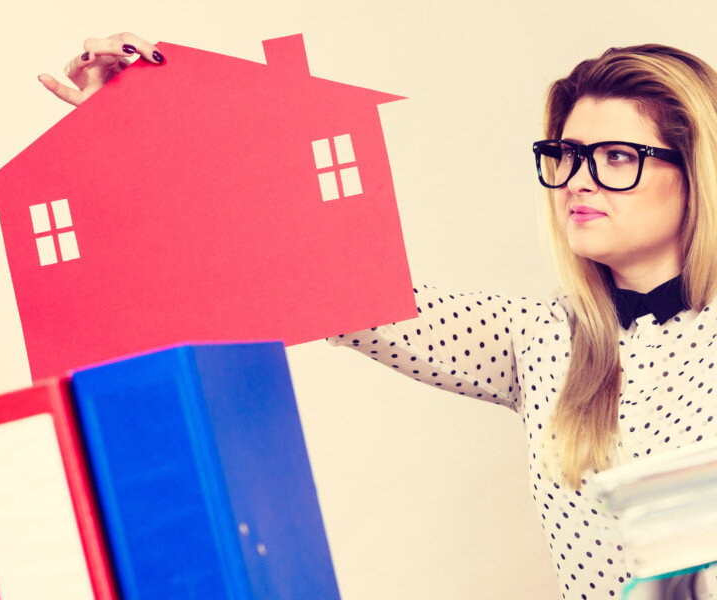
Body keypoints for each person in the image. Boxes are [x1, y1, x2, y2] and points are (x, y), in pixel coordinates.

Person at [40, 34, 717, 600]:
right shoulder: (537, 340)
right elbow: (323, 282)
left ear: (697, 171)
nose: (577, 179)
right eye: (565, 155)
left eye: (619, 157)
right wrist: (138, 134)